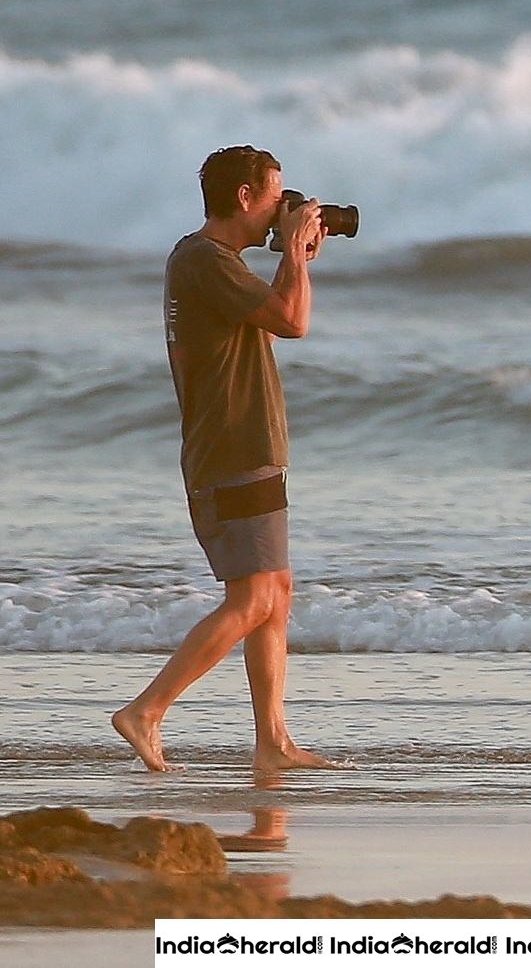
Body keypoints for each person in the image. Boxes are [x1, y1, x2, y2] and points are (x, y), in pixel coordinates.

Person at [112, 146, 336, 773]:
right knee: (253, 601)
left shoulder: (212, 263)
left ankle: (273, 741)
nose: (279, 211)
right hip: (233, 449)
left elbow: (284, 316)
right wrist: (292, 253)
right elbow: (292, 322)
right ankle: (146, 711)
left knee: (276, 593)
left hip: (245, 447)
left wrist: (298, 257)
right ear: (244, 197)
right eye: (275, 197)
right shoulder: (206, 260)